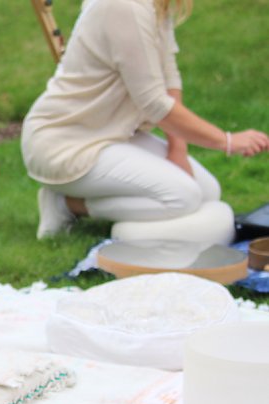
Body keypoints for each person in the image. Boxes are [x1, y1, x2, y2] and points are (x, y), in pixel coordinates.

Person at [21, 0, 269, 243]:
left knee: (207, 191)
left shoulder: (156, 4)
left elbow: (169, 76)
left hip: (110, 132)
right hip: (64, 143)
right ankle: (66, 205)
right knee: (182, 197)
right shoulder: (123, 6)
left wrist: (177, 150)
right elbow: (153, 103)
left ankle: (72, 202)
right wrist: (227, 141)